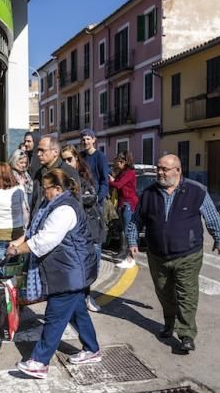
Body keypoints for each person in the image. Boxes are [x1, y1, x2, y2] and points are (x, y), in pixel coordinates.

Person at [8, 169, 100, 379]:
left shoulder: (64, 209)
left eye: (46, 188)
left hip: (68, 272)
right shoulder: (53, 204)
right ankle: (92, 349)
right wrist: (20, 241)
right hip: (69, 270)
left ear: (57, 189)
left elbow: (45, 240)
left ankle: (39, 362)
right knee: (77, 311)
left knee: (55, 316)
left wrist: (17, 249)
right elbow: (35, 231)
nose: (43, 192)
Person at [136, 154, 220, 354]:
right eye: (158, 168)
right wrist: (132, 240)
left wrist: (219, 238)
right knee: (164, 292)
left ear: (177, 170)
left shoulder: (196, 191)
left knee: (187, 292)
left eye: (164, 169)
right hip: (158, 254)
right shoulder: (149, 193)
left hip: (188, 253)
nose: (159, 172)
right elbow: (136, 220)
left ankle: (186, 334)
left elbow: (211, 216)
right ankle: (169, 324)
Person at [61, 146, 105, 312]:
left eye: (69, 159)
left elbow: (91, 197)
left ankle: (86, 296)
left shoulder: (83, 178)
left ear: (77, 160)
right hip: (72, 234)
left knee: (92, 268)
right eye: (63, 160)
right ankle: (79, 299)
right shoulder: (60, 179)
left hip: (92, 231)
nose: (66, 163)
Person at [30, 135, 80, 214]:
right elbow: (34, 201)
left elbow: (76, 203)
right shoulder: (39, 173)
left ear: (55, 152)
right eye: (38, 150)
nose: (38, 154)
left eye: (42, 150)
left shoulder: (68, 172)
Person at [108, 152, 139, 268]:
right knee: (122, 230)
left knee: (128, 230)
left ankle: (130, 258)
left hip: (128, 204)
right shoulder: (122, 173)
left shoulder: (130, 173)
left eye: (117, 161)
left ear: (123, 162)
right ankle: (123, 253)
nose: (115, 163)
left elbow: (118, 185)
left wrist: (110, 182)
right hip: (122, 204)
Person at [80, 129, 110, 205]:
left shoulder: (100, 156)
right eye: (83, 140)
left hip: (96, 199)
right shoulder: (80, 156)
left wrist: (98, 198)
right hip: (83, 197)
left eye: (88, 139)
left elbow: (104, 180)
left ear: (93, 140)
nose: (85, 142)